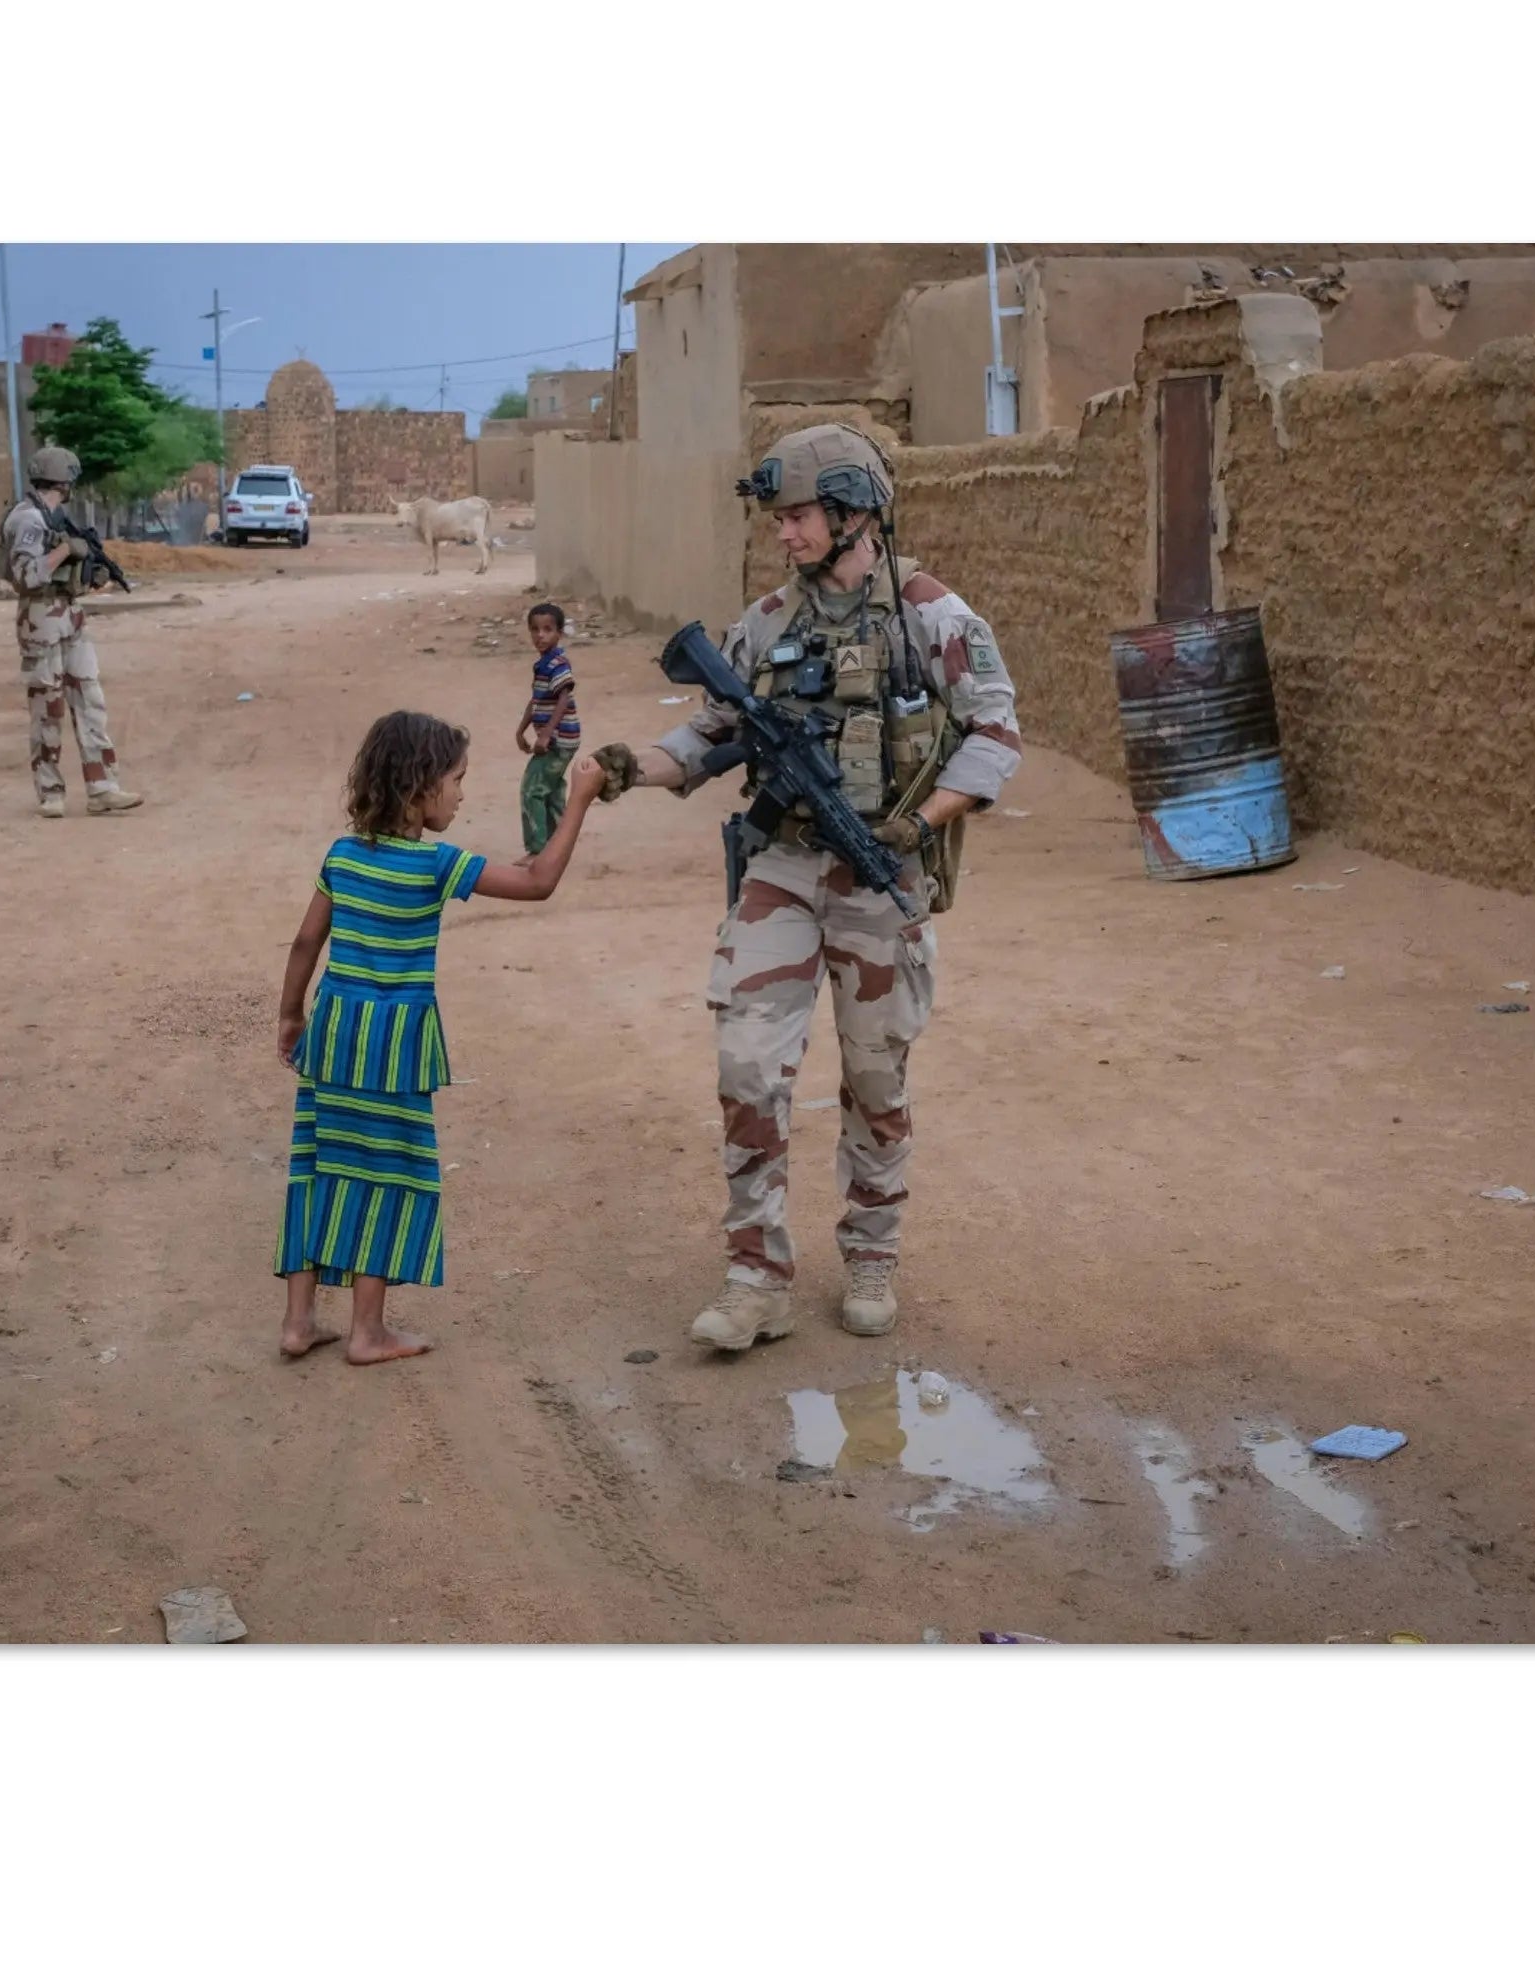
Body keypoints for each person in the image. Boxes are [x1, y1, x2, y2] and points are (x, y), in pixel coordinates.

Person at [589, 423, 1022, 1352]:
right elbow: (708, 734)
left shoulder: (931, 616)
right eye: (777, 518)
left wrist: (923, 821)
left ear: (854, 512)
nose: (783, 535)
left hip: (881, 874)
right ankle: (756, 1278)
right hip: (781, 868)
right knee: (747, 1067)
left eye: (797, 518)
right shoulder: (765, 624)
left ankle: (872, 1251)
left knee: (876, 1078)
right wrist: (636, 765)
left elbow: (995, 735)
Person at [272, 710, 606, 1366]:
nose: (461, 793)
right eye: (455, 780)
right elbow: (538, 884)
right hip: (394, 1044)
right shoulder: (435, 865)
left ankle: (298, 1321)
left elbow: (308, 939)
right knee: (387, 1171)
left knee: (321, 1161)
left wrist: (291, 1014)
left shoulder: (341, 855)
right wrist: (580, 801)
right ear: (418, 788)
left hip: (335, 1029)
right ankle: (367, 1332)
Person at [0, 445, 143, 820]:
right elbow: (26, 575)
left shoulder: (55, 516)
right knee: (48, 708)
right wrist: (65, 551)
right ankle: (50, 793)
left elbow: (66, 567)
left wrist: (88, 571)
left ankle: (102, 787)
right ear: (63, 480)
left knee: (90, 700)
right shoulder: (27, 519)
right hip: (40, 619)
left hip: (69, 614)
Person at [513, 601, 581, 855]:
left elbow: (563, 698)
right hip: (558, 739)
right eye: (535, 629)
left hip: (559, 740)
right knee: (551, 791)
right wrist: (521, 730)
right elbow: (537, 700)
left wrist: (545, 734)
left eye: (547, 629)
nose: (540, 635)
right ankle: (558, 846)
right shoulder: (542, 664)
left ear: (559, 633)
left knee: (532, 790)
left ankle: (537, 851)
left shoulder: (558, 664)